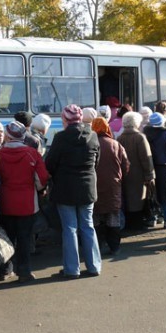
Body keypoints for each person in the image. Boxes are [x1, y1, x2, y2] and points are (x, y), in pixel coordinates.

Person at [45, 104, 101, 279]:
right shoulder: (93, 136)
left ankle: (71, 269)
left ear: (65, 119)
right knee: (88, 225)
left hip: (65, 189)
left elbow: (50, 164)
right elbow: (96, 161)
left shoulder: (60, 138)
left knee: (69, 228)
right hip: (87, 188)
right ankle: (94, 266)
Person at [0, 121, 49, 283]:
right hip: (27, 203)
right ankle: (24, 272)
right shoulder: (32, 153)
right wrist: (39, 189)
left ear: (8, 136)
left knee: (6, 238)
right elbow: (41, 177)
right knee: (24, 238)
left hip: (5, 201)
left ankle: (5, 270)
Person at [91, 118, 129, 256]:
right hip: (113, 186)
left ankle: (98, 246)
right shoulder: (116, 144)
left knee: (95, 218)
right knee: (113, 217)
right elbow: (126, 165)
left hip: (93, 186)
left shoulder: (90, 144)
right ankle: (114, 247)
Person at [117, 112, 155, 230]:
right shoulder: (140, 137)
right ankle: (137, 225)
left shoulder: (119, 138)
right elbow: (146, 158)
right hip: (139, 175)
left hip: (125, 175)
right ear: (136, 123)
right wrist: (150, 175)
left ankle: (128, 224)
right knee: (138, 199)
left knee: (128, 199)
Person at [143, 113, 166, 228]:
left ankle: (154, 218)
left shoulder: (144, 134)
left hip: (150, 168)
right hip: (165, 168)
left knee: (152, 194)